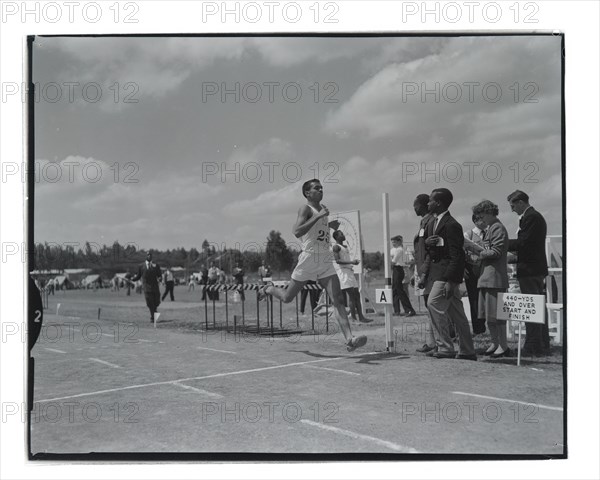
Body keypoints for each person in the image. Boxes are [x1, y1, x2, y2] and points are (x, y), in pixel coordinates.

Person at [258, 179, 367, 351]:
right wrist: (318, 217)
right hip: (308, 258)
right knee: (287, 298)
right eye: (317, 188)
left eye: (322, 187)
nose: (321, 190)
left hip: (325, 259)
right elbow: (297, 231)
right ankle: (269, 289)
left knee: (338, 299)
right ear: (308, 193)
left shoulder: (323, 210)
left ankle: (350, 339)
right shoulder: (306, 209)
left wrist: (328, 224)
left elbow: (317, 231)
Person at [420, 188, 476, 360]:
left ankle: (445, 347)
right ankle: (467, 350)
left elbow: (456, 255)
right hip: (438, 273)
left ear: (438, 203)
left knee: (433, 303)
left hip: (446, 275)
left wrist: (451, 280)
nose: (427, 203)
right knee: (458, 313)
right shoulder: (433, 222)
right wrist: (427, 243)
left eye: (430, 200)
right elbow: (435, 250)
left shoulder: (452, 225)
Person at [507, 190, 549, 356]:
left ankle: (533, 345)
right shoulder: (532, 216)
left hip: (530, 270)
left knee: (531, 307)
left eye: (512, 205)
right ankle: (541, 342)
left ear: (520, 202)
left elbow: (524, 243)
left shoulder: (531, 217)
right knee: (537, 307)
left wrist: (503, 243)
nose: (511, 210)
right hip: (534, 269)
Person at [469, 200, 510, 357]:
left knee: (497, 315)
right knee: (488, 315)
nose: (481, 219)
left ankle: (504, 346)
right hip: (486, 277)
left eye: (481, 215)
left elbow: (496, 251)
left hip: (495, 277)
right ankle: (495, 342)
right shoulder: (490, 228)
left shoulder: (498, 228)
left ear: (488, 212)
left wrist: (479, 252)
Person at [332, 230, 373, 323]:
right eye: (341, 234)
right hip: (344, 273)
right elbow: (337, 261)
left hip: (349, 272)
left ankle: (361, 317)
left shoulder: (345, 247)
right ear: (337, 237)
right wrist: (351, 262)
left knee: (357, 295)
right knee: (351, 295)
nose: (343, 235)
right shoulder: (336, 247)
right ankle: (353, 319)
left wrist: (352, 263)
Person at [463, 213, 488, 335]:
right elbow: (461, 251)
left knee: (485, 298)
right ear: (476, 221)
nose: (484, 222)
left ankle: (486, 325)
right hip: (472, 269)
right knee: (474, 299)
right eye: (482, 219)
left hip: (486, 269)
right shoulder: (468, 234)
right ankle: (478, 328)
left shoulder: (489, 233)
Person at [131, 253, 162, 322]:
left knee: (156, 302)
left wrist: (160, 278)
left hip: (155, 287)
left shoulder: (156, 266)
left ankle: (154, 310)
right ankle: (152, 317)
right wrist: (133, 279)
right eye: (148, 255)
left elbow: (159, 275)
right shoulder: (141, 266)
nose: (149, 256)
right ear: (145, 256)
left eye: (150, 255)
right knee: (149, 301)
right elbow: (138, 276)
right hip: (146, 287)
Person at [390, 235, 416, 317]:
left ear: (399, 242)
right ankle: (397, 310)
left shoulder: (400, 250)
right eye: (392, 242)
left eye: (395, 242)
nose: (393, 243)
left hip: (398, 269)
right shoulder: (395, 249)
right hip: (396, 269)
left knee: (400, 290)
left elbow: (393, 262)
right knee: (395, 290)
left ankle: (409, 310)